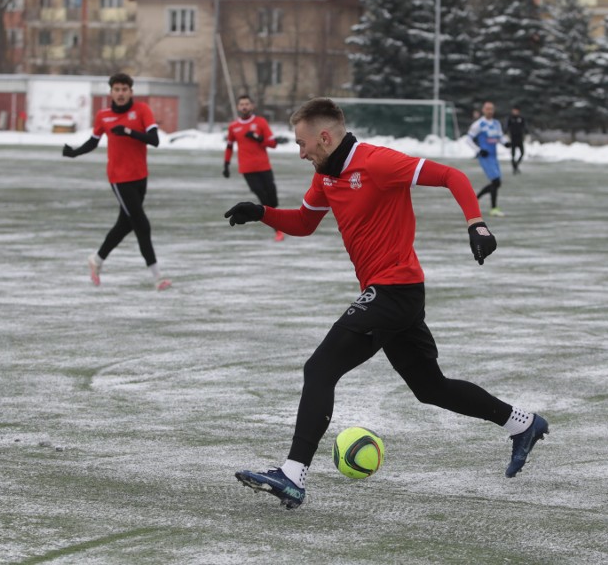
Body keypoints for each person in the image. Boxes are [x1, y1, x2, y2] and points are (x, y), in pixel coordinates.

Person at [225, 97, 548, 509]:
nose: (300, 152)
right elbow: (304, 223)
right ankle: (523, 423)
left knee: (320, 368)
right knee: (430, 387)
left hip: (394, 290)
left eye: (303, 143)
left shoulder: (377, 163)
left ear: (325, 137)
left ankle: (292, 475)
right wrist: (262, 212)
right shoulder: (326, 176)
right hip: (396, 294)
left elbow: (451, 176)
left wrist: (476, 223)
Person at [62, 72, 171, 291]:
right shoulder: (103, 115)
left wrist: (129, 131)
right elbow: (93, 142)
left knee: (125, 224)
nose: (120, 94)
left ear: (131, 92)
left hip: (140, 176)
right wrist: (73, 153)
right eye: (116, 90)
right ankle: (158, 277)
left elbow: (155, 140)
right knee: (141, 223)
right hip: (119, 178)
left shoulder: (142, 110)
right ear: (110, 92)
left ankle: (97, 259)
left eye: (124, 89)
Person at [222, 95, 285, 241]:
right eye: (241, 104)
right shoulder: (233, 126)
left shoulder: (261, 122)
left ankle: (279, 224)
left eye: (247, 104)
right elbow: (229, 146)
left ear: (252, 106)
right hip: (247, 170)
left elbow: (273, 143)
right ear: (238, 107)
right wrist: (226, 164)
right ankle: (278, 229)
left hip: (264, 167)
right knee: (263, 198)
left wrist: (258, 138)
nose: (244, 106)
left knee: (272, 200)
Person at [467, 101, 506, 217]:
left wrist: (507, 143)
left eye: (491, 109)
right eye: (487, 109)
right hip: (485, 157)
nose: (490, 111)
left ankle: (474, 199)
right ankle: (493, 208)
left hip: (494, 156)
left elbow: (500, 137)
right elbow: (468, 140)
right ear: (483, 110)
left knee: (497, 183)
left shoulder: (496, 123)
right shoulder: (478, 124)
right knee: (496, 181)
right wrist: (478, 150)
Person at [505, 106, 528, 175]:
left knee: (522, 153)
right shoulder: (510, 118)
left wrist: (527, 134)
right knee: (513, 155)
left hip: (520, 138)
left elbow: (525, 127)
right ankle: (514, 168)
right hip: (513, 139)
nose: (515, 112)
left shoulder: (521, 118)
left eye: (516, 111)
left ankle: (516, 165)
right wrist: (506, 136)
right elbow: (506, 127)